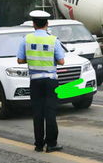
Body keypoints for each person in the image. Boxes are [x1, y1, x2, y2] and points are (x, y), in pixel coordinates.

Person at [17, 10, 65, 152]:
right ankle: (51, 144)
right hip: (50, 81)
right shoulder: (53, 40)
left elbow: (20, 60)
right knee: (50, 111)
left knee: (37, 112)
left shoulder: (26, 39)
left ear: (33, 24)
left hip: (35, 81)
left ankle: (38, 144)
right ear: (47, 24)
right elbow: (61, 61)